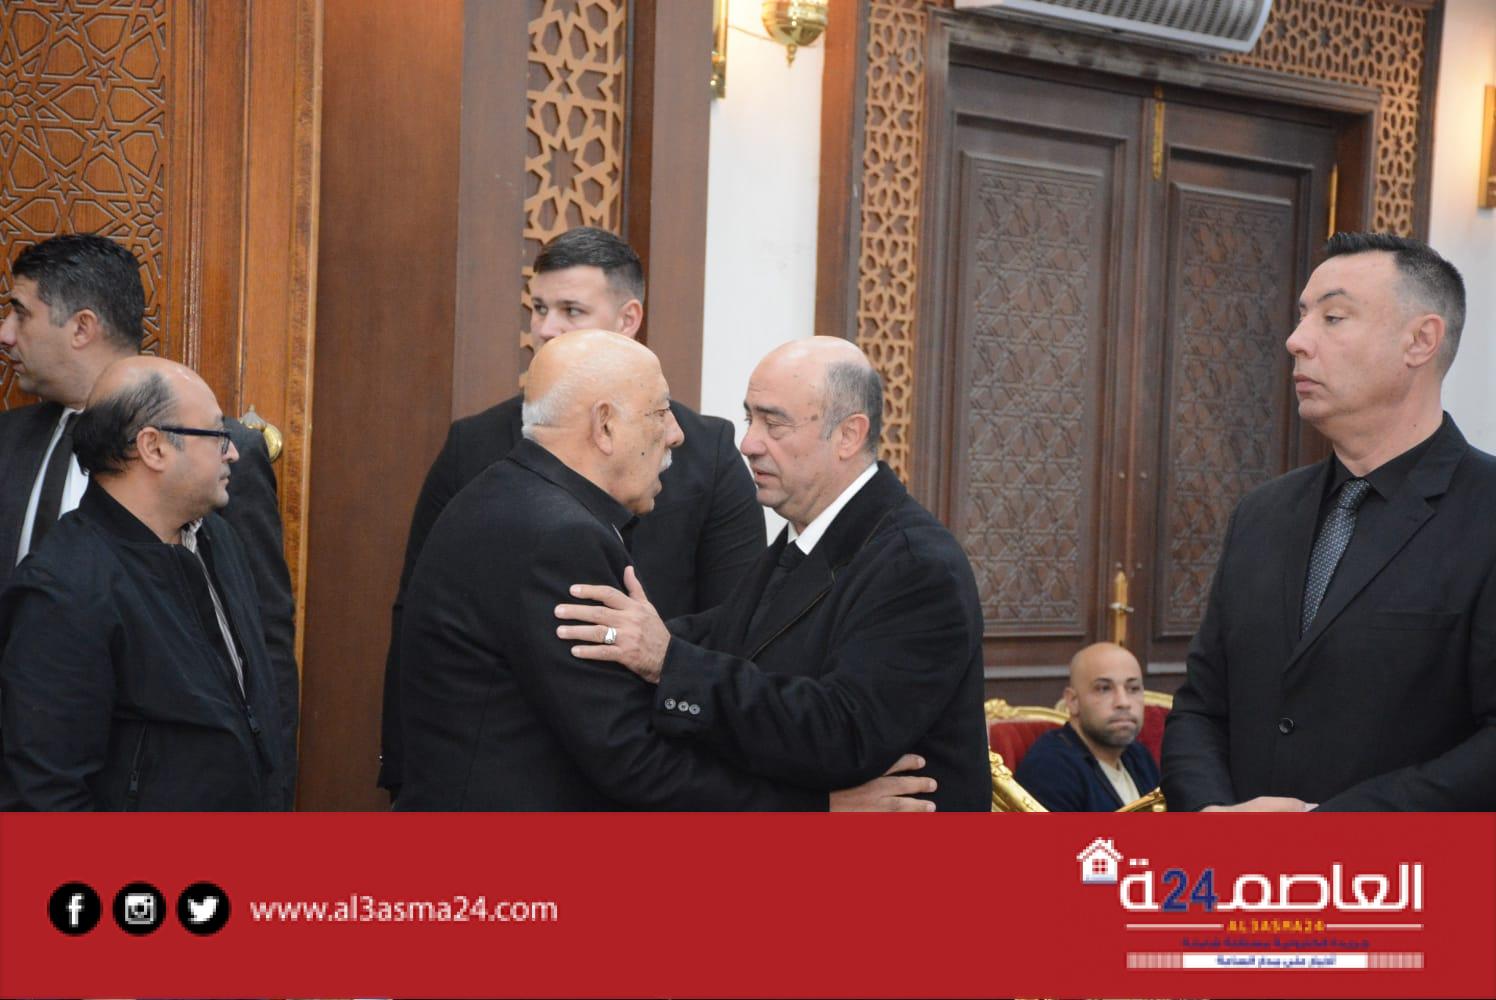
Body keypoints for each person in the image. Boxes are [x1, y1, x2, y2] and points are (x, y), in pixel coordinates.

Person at [397, 330, 931, 810]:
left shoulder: (510, 494)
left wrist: (663, 651)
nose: (676, 434)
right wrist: (817, 809)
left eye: (773, 423)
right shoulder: (559, 535)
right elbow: (630, 759)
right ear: (605, 425)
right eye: (660, 413)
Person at [379, 227, 765, 799]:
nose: (545, 328)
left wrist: (666, 656)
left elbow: (733, 621)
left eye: (571, 310)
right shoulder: (517, 489)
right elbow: (620, 752)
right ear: (604, 426)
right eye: (539, 309)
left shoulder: (704, 454)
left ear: (629, 318)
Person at [554, 336, 990, 811]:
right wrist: (611, 638)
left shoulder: (916, 564)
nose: (748, 444)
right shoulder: (807, 535)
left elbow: (844, 733)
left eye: (774, 424)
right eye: (750, 419)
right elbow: (728, 636)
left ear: (848, 435)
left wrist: (668, 661)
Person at [1162, 233, 1496, 812]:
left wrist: (1325, 829)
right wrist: (1213, 816)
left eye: (1333, 317)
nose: (1296, 340)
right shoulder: (1262, 514)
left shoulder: (1485, 509)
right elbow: (1200, 708)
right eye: (1302, 315)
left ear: (1420, 340)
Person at [0, 234, 299, 787]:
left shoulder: (219, 461)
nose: (6, 334)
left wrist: (273, 795)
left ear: (82, 327)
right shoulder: (9, 443)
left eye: (21, 311)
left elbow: (264, 645)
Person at [1013, 643, 1159, 811]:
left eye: (1133, 689)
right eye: (1104, 689)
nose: (1123, 702)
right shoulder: (1050, 769)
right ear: (1073, 701)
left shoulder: (1138, 755)